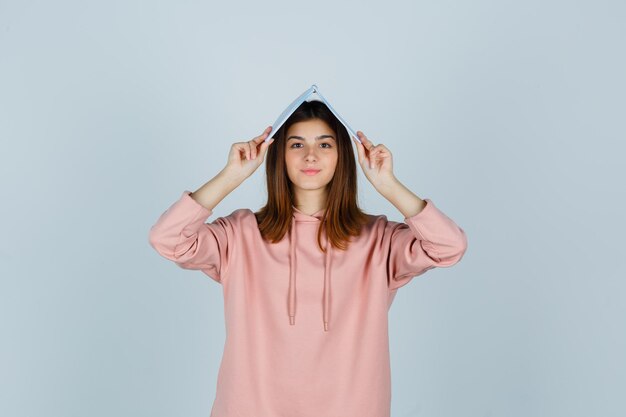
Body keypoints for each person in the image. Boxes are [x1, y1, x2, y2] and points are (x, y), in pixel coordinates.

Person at [148, 100, 468, 417]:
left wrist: (389, 185)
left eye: (325, 144)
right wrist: (231, 176)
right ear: (280, 156)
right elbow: (168, 239)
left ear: (342, 156)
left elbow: (448, 246)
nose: (310, 155)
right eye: (297, 144)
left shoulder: (379, 239)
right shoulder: (240, 234)